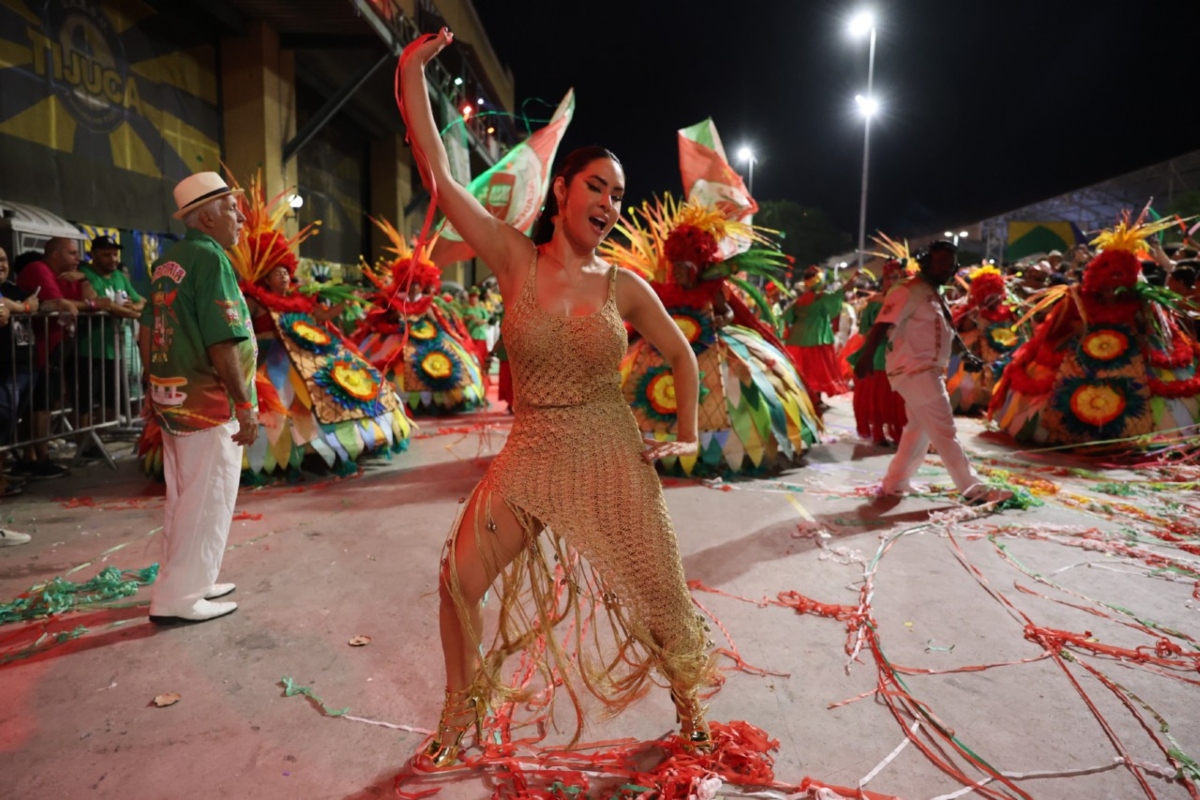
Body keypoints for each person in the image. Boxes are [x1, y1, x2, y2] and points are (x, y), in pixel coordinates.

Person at [400, 29, 715, 768]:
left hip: (610, 453)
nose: (609, 202)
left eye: (620, 194)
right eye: (597, 186)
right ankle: (459, 711)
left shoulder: (624, 286)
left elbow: (678, 354)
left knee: (661, 595)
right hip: (534, 450)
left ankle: (692, 705)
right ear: (562, 191)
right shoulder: (513, 258)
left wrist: (688, 432)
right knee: (458, 579)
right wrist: (412, 72)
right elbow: (444, 178)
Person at [136, 171, 257, 624]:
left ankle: (190, 579)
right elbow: (222, 340)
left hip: (173, 399)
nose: (240, 216)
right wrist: (244, 405)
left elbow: (145, 330)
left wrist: (155, 385)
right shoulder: (211, 259)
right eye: (230, 208)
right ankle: (179, 598)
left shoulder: (170, 261)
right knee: (207, 497)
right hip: (207, 402)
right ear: (205, 217)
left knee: (184, 495)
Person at [854, 240, 1012, 506]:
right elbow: (881, 325)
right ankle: (973, 489)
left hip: (928, 370)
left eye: (951, 265)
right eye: (941, 263)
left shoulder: (934, 293)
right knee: (944, 429)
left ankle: (895, 483)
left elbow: (947, 329)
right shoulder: (907, 290)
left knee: (918, 430)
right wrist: (866, 358)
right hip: (914, 370)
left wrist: (965, 355)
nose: (947, 270)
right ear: (926, 262)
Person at [13, 237, 96, 478]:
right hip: (36, 349)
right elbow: (66, 305)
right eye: (72, 253)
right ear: (56, 254)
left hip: (55, 348)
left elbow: (87, 299)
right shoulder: (38, 269)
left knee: (45, 402)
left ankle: (37, 456)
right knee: (38, 405)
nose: (77, 259)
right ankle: (37, 458)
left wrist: (86, 280)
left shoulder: (67, 276)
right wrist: (91, 304)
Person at [79, 236, 144, 450]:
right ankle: (84, 443)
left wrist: (130, 309)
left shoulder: (118, 276)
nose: (113, 259)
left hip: (113, 349)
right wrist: (134, 313)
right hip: (89, 348)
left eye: (115, 254)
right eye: (106, 254)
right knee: (86, 401)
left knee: (110, 400)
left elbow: (140, 301)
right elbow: (105, 305)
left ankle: (98, 440)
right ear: (93, 254)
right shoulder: (85, 274)